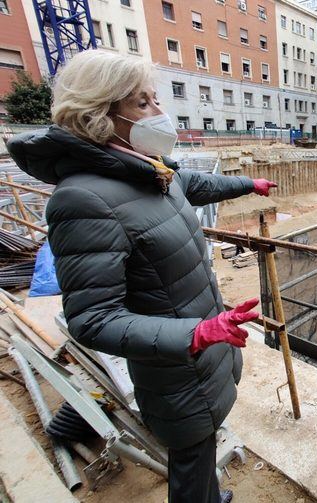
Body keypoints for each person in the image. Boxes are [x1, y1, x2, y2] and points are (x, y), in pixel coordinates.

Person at [8, 50, 278, 503]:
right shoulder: (84, 200)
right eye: (142, 103)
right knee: (191, 455)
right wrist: (197, 333)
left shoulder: (148, 171)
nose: (160, 113)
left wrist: (248, 185)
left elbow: (191, 185)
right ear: (99, 114)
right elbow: (92, 319)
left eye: (156, 99)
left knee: (202, 441)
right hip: (175, 366)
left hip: (200, 351)